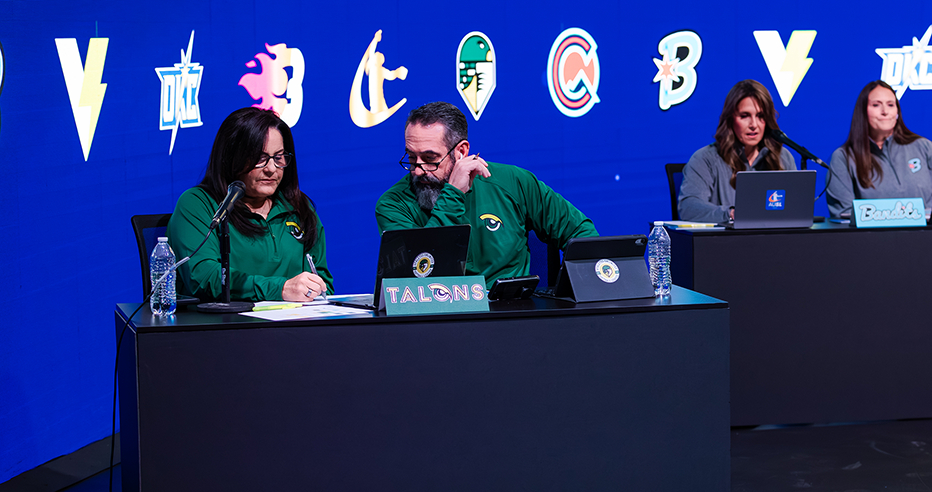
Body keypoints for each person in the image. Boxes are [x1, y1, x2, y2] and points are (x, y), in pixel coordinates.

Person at [375, 101, 597, 288]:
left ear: (461, 152)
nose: (417, 169)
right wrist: (453, 194)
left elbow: (581, 233)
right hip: (438, 323)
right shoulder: (393, 204)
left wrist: (567, 291)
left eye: (430, 158)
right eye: (411, 158)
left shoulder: (513, 182)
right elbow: (419, 275)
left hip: (513, 318)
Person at [168, 107, 333, 302]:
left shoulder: (299, 206)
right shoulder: (199, 204)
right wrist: (280, 289)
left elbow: (323, 284)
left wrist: (313, 290)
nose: (271, 169)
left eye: (278, 158)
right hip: (225, 327)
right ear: (231, 159)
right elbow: (204, 277)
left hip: (294, 327)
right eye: (260, 159)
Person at [678, 80, 797, 223]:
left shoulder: (782, 157)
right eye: (745, 116)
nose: (754, 125)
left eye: (760, 116)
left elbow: (795, 211)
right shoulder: (705, 159)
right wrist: (731, 213)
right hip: (725, 243)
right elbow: (688, 208)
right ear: (730, 119)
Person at [826, 80, 932, 219]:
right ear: (863, 112)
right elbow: (844, 214)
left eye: (890, 105)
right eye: (876, 105)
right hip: (870, 239)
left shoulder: (924, 147)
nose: (885, 112)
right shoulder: (843, 157)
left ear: (898, 112)